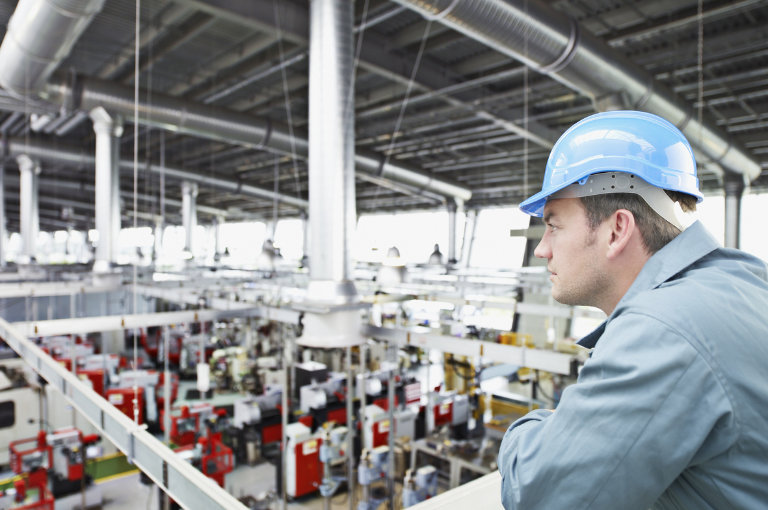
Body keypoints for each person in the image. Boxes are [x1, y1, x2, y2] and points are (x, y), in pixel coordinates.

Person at [497, 110, 768, 509]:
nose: (542, 249)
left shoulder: (663, 329)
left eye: (553, 225)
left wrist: (524, 430)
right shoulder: (744, 278)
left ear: (617, 230)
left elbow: (539, 492)